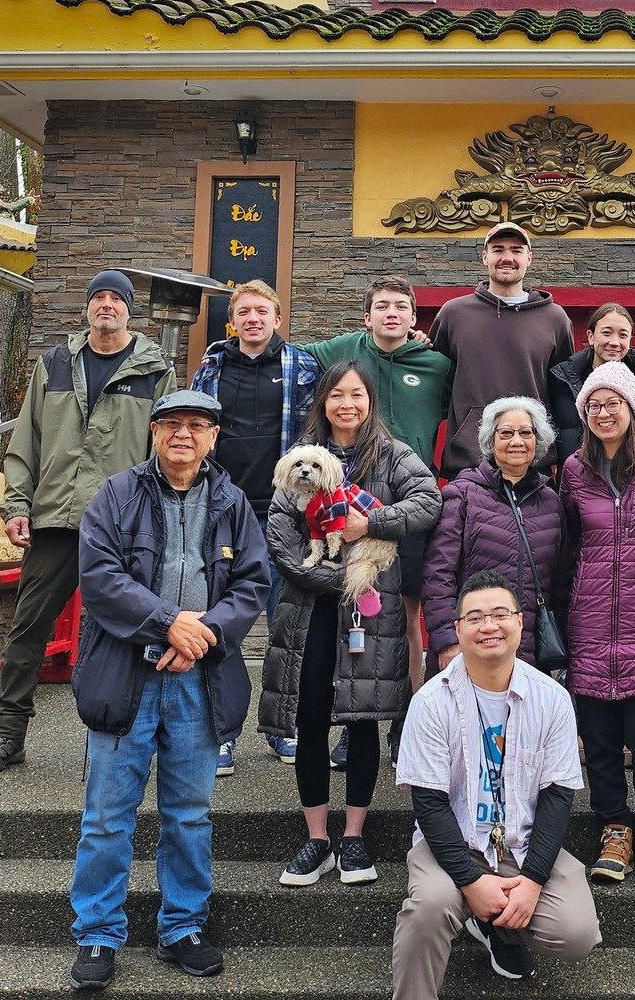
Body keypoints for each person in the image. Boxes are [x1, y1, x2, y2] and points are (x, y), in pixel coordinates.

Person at [65, 390, 269, 993]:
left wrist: (201, 633)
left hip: (197, 679)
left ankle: (183, 926)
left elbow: (253, 582)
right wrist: (167, 622)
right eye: (173, 425)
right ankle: (98, 932)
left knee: (190, 813)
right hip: (127, 673)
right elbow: (99, 577)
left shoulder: (233, 503)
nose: (185, 435)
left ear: (213, 439)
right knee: (107, 815)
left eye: (198, 426)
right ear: (154, 434)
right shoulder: (116, 495)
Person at [0, 269, 175, 778]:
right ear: (87, 308)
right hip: (56, 518)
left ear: (130, 310)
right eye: (98, 297)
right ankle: (7, 734)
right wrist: (17, 506)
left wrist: (159, 516)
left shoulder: (154, 370)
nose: (106, 305)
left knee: (125, 629)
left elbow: (164, 449)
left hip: (121, 522)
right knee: (28, 626)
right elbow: (26, 442)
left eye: (116, 298)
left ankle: (115, 739)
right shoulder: (55, 363)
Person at [259, 362, 442, 888]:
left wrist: (374, 523)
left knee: (365, 719)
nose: (346, 404)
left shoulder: (391, 454)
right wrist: (326, 578)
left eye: (356, 394)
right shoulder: (299, 456)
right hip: (311, 608)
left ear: (369, 402)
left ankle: (355, 837)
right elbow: (280, 531)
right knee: (312, 716)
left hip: (371, 604)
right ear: (323, 401)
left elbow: (428, 500)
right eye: (336, 394)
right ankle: (316, 838)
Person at [391, 569, 601, 997]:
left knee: (576, 931)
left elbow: (558, 797)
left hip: (520, 842)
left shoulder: (552, 699)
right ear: (457, 629)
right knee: (430, 905)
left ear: (520, 622)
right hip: (454, 841)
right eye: (475, 617)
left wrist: (533, 881)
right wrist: (471, 880)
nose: (489, 626)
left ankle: (495, 928)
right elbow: (429, 805)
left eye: (500, 614)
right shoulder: (431, 702)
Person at [303, 276, 451, 762]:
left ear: (414, 318)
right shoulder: (342, 351)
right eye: (382, 306)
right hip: (347, 504)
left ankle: (405, 719)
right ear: (366, 316)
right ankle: (354, 717)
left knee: (406, 618)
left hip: (404, 503)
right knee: (353, 611)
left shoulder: (436, 364)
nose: (392, 313)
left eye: (402, 307)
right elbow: (290, 354)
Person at [190, 277, 321, 772]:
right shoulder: (212, 366)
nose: (252, 319)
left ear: (277, 319)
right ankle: (222, 734)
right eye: (243, 311)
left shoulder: (303, 365)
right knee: (223, 625)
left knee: (287, 626)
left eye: (261, 312)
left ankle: (282, 728)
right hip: (225, 510)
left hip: (286, 511)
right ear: (234, 319)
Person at [559, 360, 635, 885]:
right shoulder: (571, 471)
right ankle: (612, 826)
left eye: (614, 403)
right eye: (594, 404)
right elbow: (563, 546)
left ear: (634, 409)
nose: (604, 412)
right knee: (600, 738)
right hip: (587, 621)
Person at [423, 397, 566, 672]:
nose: (517, 441)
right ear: (491, 440)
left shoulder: (551, 502)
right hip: (469, 648)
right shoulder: (462, 494)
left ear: (538, 441)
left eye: (526, 432)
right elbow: (438, 575)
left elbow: (560, 581)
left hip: (529, 655)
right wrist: (447, 641)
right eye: (506, 433)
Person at [428, 222, 573, 477]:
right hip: (468, 464)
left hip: (531, 465)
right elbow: (434, 386)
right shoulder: (453, 315)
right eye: (498, 250)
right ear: (485, 257)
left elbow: (563, 395)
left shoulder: (555, 319)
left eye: (516, 250)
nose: (507, 258)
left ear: (529, 258)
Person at [547, 301, 635, 462]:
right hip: (577, 482)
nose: (614, 342)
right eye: (607, 333)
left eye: (623, 335)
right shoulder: (563, 383)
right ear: (591, 337)